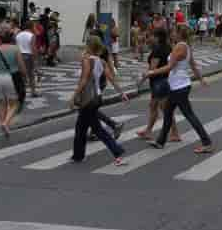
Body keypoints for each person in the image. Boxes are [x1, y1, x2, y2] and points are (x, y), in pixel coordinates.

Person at [148, 24, 212, 152]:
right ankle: (160, 141)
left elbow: (169, 67)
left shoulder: (179, 47)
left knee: (189, 114)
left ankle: (207, 142)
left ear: (178, 33)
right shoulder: (186, 47)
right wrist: (201, 79)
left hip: (179, 86)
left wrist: (152, 72)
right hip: (178, 86)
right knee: (167, 113)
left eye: (173, 32)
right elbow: (193, 65)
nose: (171, 34)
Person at [71, 36, 126, 166]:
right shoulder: (101, 61)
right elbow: (111, 78)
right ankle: (78, 155)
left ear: (89, 46)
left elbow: (84, 80)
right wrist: (121, 93)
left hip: (87, 99)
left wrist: (74, 96)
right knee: (81, 127)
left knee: (96, 129)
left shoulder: (87, 60)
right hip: (97, 97)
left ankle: (116, 150)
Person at [137, 27, 181, 142]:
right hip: (164, 80)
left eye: (150, 36)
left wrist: (141, 80)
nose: (148, 38)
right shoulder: (168, 47)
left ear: (157, 37)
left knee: (165, 109)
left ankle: (175, 133)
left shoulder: (157, 50)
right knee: (153, 106)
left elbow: (152, 68)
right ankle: (148, 131)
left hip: (159, 82)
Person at [0, 30, 28, 136]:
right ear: (12, 39)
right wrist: (25, 77)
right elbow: (21, 66)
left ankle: (2, 124)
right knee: (14, 103)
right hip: (11, 78)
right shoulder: (15, 49)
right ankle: (6, 123)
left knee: (2, 103)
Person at [15, 21, 39, 98]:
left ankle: (19, 91)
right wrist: (35, 58)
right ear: (31, 27)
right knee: (31, 74)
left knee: (21, 74)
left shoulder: (18, 35)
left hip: (19, 55)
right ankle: (33, 91)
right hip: (28, 55)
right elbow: (33, 47)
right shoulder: (31, 35)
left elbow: (16, 45)